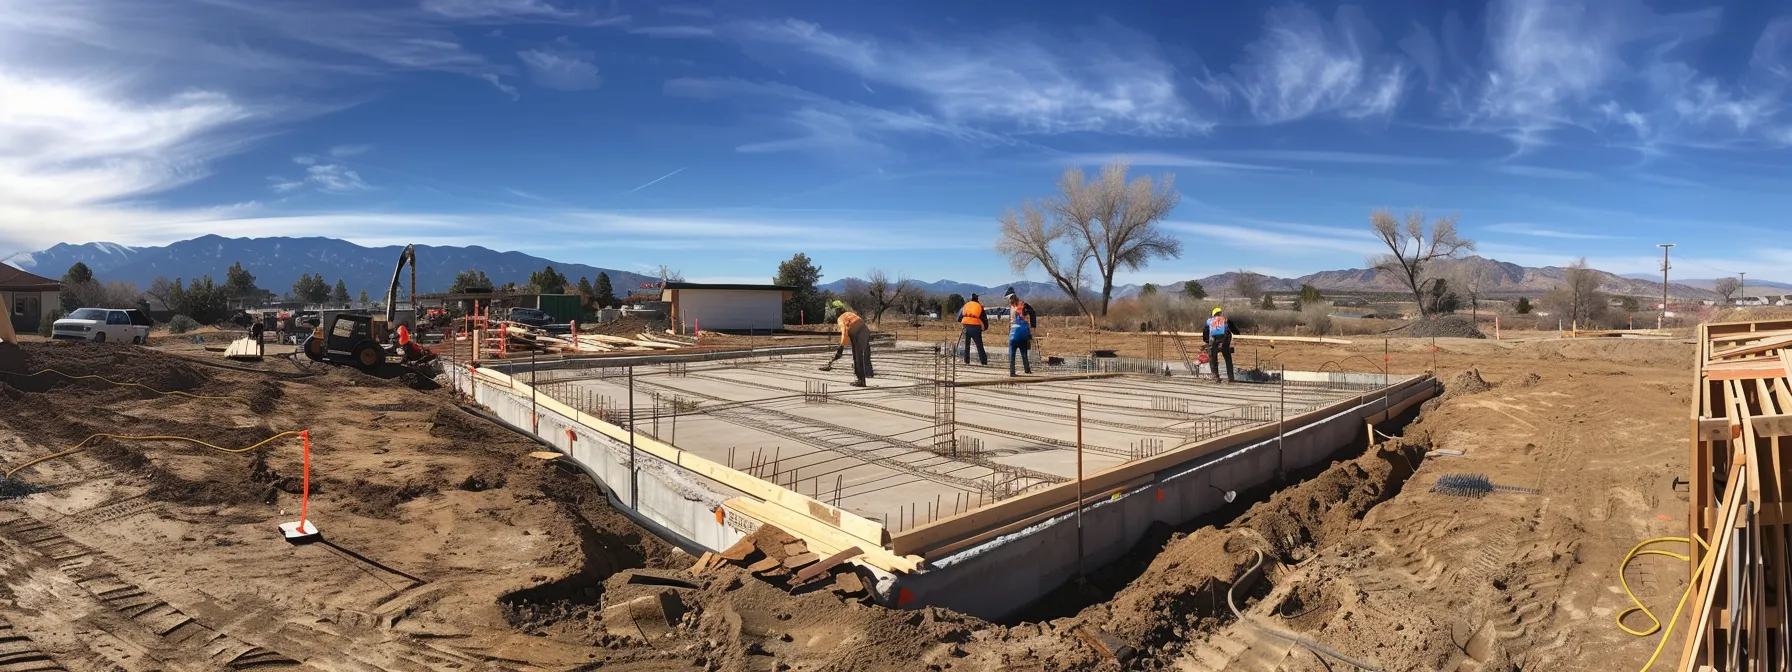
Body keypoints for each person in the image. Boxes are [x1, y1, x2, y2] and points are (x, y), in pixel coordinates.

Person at [819, 300, 873, 387]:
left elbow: (844, 332)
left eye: (835, 311)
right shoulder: (849, 314)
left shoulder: (841, 318)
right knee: (858, 356)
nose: (835, 313)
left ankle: (861, 381)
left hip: (858, 334)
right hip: (864, 332)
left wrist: (841, 348)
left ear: (838, 310)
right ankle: (862, 378)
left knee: (858, 358)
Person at [1201, 306, 1239, 383]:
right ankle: (1231, 378)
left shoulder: (1209, 321)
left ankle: (1216, 377)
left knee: (1213, 359)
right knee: (1228, 359)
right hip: (1224, 343)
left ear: (1213, 314)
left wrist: (1207, 341)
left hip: (1213, 343)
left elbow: (1205, 333)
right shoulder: (1226, 320)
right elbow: (1236, 331)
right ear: (1220, 313)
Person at [1006, 290, 1038, 377]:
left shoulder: (1013, 308)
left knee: (1012, 353)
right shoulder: (1024, 305)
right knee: (1023, 352)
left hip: (1014, 333)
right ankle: (1027, 370)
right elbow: (1033, 313)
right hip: (1023, 332)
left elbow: (1011, 321)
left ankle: (1012, 372)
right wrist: (1033, 327)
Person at [958, 293, 988, 365]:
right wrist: (985, 327)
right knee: (979, 345)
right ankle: (983, 361)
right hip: (976, 327)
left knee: (966, 345)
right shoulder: (979, 306)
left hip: (965, 326)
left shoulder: (966, 305)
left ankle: (966, 361)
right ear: (977, 299)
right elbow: (984, 318)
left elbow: (959, 317)